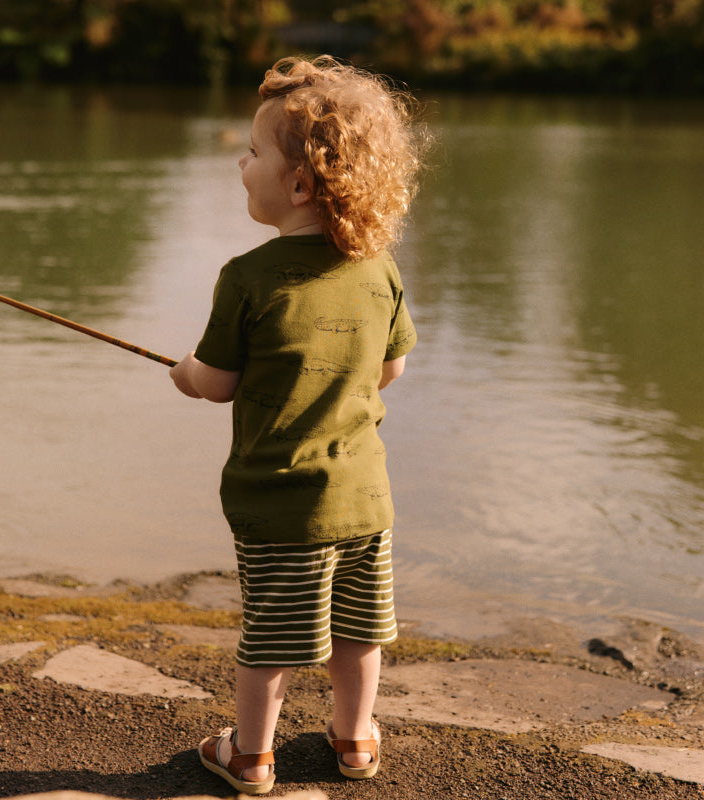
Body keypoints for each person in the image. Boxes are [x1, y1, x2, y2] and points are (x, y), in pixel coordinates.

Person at [170, 54, 428, 796]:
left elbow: (213, 384)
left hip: (282, 504)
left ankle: (250, 756)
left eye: (252, 154)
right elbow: (390, 370)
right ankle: (355, 740)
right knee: (359, 629)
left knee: (272, 641)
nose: (241, 165)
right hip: (364, 500)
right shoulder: (378, 270)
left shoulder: (247, 278)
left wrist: (184, 372)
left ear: (298, 183)